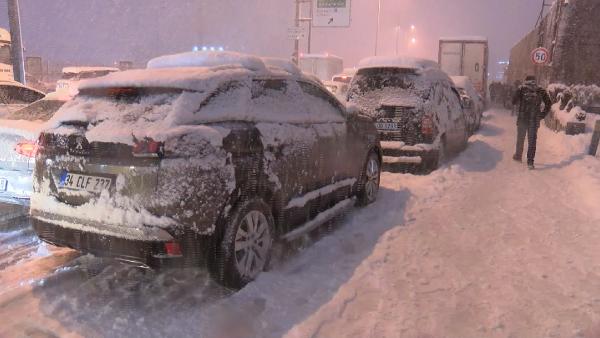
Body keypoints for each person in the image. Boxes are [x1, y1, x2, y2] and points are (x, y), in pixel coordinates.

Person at [512, 75, 552, 170]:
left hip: (522, 119)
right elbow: (549, 103)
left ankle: (518, 155)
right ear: (534, 81)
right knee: (532, 141)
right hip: (534, 120)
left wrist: (517, 91)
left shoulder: (521, 89)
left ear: (526, 81)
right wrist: (542, 115)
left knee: (520, 139)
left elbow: (513, 101)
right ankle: (530, 162)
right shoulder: (540, 90)